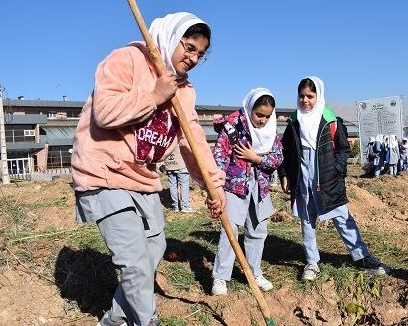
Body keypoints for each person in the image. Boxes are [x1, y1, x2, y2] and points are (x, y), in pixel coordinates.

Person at [72, 12, 226, 326]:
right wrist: (154, 94)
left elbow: (192, 142)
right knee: (135, 262)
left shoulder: (184, 91)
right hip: (104, 171)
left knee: (154, 249)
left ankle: (114, 319)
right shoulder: (125, 60)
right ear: (171, 39)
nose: (192, 58)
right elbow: (106, 112)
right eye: (188, 48)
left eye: (199, 54)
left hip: (143, 177)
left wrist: (212, 186)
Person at [279, 76, 391, 281]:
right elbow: (285, 151)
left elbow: (343, 149)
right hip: (302, 175)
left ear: (319, 96)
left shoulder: (330, 120)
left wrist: (337, 170)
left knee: (341, 215)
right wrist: (285, 174)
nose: (305, 101)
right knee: (306, 218)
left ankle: (361, 256)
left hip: (327, 175)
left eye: (310, 96)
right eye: (302, 96)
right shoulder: (294, 122)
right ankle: (311, 262)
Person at [210, 88, 284, 296]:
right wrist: (217, 187)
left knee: (258, 230)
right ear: (250, 108)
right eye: (259, 114)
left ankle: (254, 272)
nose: (262, 120)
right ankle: (221, 277)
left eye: (267, 116)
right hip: (235, 185)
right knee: (230, 230)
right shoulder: (232, 127)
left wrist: (256, 158)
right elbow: (220, 157)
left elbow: (278, 158)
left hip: (259, 186)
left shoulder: (271, 133)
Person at [161, 145, 194, 212]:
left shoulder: (166, 139)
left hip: (169, 165)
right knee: (184, 185)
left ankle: (175, 206)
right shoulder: (179, 137)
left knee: (172, 185)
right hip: (181, 164)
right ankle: (185, 206)